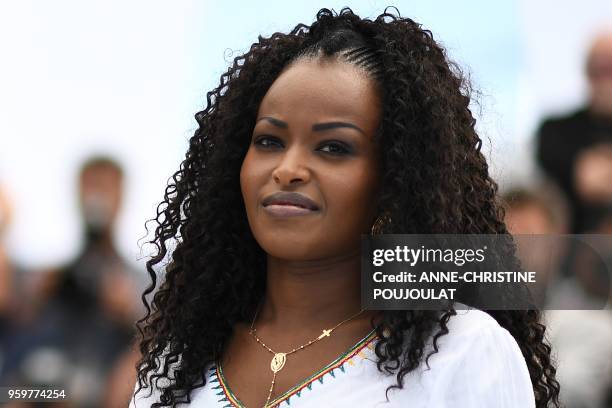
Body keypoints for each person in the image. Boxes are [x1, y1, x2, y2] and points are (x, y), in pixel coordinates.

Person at [131, 8, 560, 408]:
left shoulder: (460, 352)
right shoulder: (179, 360)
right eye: (269, 141)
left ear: (395, 182)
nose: (288, 169)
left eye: (334, 147)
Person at [536, 32, 612, 234]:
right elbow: (586, 179)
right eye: (599, 69)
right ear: (587, 72)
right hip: (575, 252)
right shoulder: (556, 130)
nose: (606, 78)